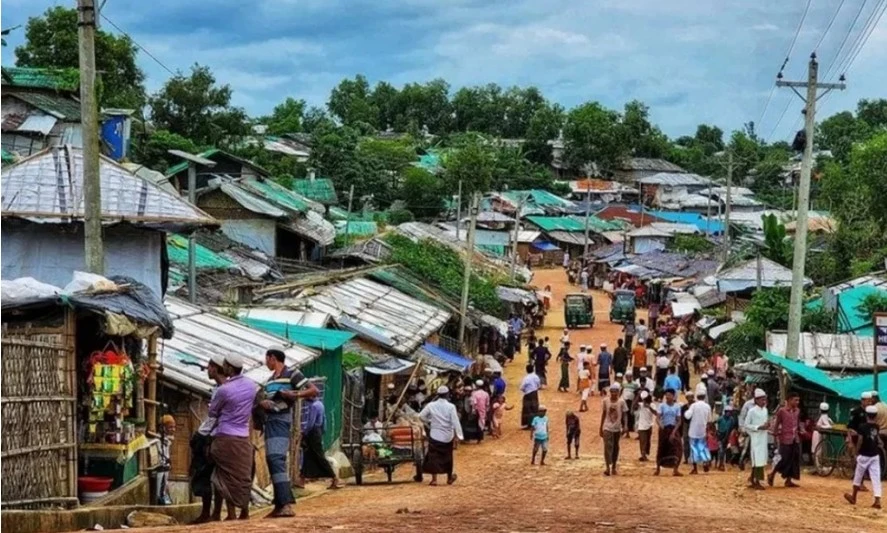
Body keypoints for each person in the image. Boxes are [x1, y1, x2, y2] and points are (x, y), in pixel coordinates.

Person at [261, 346, 319, 516]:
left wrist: (294, 395)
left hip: (282, 418)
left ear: (272, 358)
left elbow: (313, 390)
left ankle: (285, 503)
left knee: (276, 458)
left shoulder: (292, 374)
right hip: (270, 420)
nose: (266, 363)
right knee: (272, 460)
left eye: (267, 359)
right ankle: (280, 504)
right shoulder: (270, 381)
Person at [208, 354, 258, 521]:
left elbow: (212, 412)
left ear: (229, 368)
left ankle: (230, 514)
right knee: (242, 476)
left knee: (225, 476)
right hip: (244, 437)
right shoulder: (252, 386)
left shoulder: (224, 390)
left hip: (225, 437)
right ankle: (244, 511)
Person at [190, 354, 228, 523]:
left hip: (210, 435)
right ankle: (214, 513)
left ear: (215, 368)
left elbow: (217, 416)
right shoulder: (221, 388)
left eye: (210, 366)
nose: (207, 369)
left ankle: (209, 513)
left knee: (204, 472)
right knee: (215, 474)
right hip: (215, 434)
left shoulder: (223, 390)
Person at [419, 386, 464, 486]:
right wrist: (459, 435)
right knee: (448, 457)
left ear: (438, 395)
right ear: (447, 395)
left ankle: (434, 480)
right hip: (447, 436)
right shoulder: (451, 406)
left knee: (433, 457)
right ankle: (449, 478)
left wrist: (429, 422)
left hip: (435, 434)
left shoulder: (431, 405)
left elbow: (421, 416)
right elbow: (455, 421)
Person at [299, 391, 341, 489]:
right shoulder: (320, 405)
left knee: (318, 456)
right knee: (308, 456)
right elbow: (324, 420)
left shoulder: (314, 406)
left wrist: (304, 432)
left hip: (313, 433)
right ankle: (302, 479)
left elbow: (311, 422)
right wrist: (322, 431)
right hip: (317, 432)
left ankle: (334, 477)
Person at [844, 405, 883, 509]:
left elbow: (861, 440)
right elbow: (876, 438)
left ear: (866, 415)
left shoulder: (862, 426)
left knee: (858, 475)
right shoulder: (876, 426)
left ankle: (854, 497)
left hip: (864, 454)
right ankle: (877, 500)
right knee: (876, 477)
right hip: (874, 455)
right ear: (875, 416)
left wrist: (856, 452)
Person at [768, 391, 804, 488]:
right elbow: (777, 423)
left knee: (794, 459)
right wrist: (775, 434)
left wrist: (801, 429)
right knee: (783, 459)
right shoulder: (782, 411)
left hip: (795, 438)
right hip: (785, 438)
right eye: (795, 400)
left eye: (798, 400)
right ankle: (772, 474)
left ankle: (789, 480)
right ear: (789, 400)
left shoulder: (797, 411)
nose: (797, 402)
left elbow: (798, 422)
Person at [743, 388, 770, 490]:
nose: (764, 402)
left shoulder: (765, 410)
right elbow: (746, 425)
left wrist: (767, 426)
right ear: (756, 400)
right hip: (755, 438)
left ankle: (752, 478)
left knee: (761, 459)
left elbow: (765, 422)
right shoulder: (752, 411)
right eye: (761, 400)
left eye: (765, 399)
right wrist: (758, 427)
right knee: (757, 459)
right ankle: (757, 481)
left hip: (763, 438)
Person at [600, 383, 629, 476]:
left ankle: (614, 467)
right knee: (607, 447)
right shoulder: (605, 401)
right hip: (607, 428)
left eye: (615, 392)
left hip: (617, 428)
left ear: (618, 392)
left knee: (615, 448)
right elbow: (604, 414)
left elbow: (625, 414)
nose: (613, 394)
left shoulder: (621, 402)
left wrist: (625, 426)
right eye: (612, 392)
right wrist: (600, 427)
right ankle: (608, 467)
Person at [655, 388, 683, 476]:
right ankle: (658, 468)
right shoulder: (662, 406)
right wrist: (660, 425)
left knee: (677, 448)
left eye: (669, 395)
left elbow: (679, 420)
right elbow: (658, 418)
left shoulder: (677, 406)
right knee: (662, 447)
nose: (667, 397)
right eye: (666, 395)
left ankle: (676, 469)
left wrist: (674, 432)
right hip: (664, 428)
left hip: (673, 428)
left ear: (673, 396)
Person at [684, 390, 713, 474]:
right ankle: (705, 462)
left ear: (697, 397)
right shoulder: (707, 406)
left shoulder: (693, 406)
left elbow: (687, 416)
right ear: (704, 397)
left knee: (693, 449)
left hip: (693, 430)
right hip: (703, 430)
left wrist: (686, 412)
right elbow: (709, 420)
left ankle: (695, 468)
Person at [155, 415, 176, 505]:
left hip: (165, 467)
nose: (173, 429)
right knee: (159, 489)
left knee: (164, 487)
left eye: (174, 427)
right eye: (170, 427)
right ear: (163, 428)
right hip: (160, 466)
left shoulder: (167, 440)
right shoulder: (158, 440)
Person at [812, 402, 834, 473]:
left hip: (818, 433)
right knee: (817, 450)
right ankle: (817, 467)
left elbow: (829, 425)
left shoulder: (824, 416)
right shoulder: (825, 416)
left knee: (817, 450)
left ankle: (818, 467)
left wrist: (820, 426)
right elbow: (830, 424)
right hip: (817, 433)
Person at [636, 390, 655, 462]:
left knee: (647, 441)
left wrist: (649, 407)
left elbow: (656, 413)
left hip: (649, 425)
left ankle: (645, 453)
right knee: (643, 441)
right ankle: (643, 455)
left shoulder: (652, 405)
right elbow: (634, 406)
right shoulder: (641, 405)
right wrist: (638, 396)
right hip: (641, 425)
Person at [716, 405, 737, 471]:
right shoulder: (720, 418)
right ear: (725, 412)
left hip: (727, 436)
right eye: (727, 412)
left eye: (730, 412)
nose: (728, 413)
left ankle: (722, 463)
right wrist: (717, 431)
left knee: (725, 451)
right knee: (721, 450)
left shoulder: (731, 419)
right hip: (720, 435)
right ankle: (721, 464)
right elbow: (715, 424)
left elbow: (732, 428)